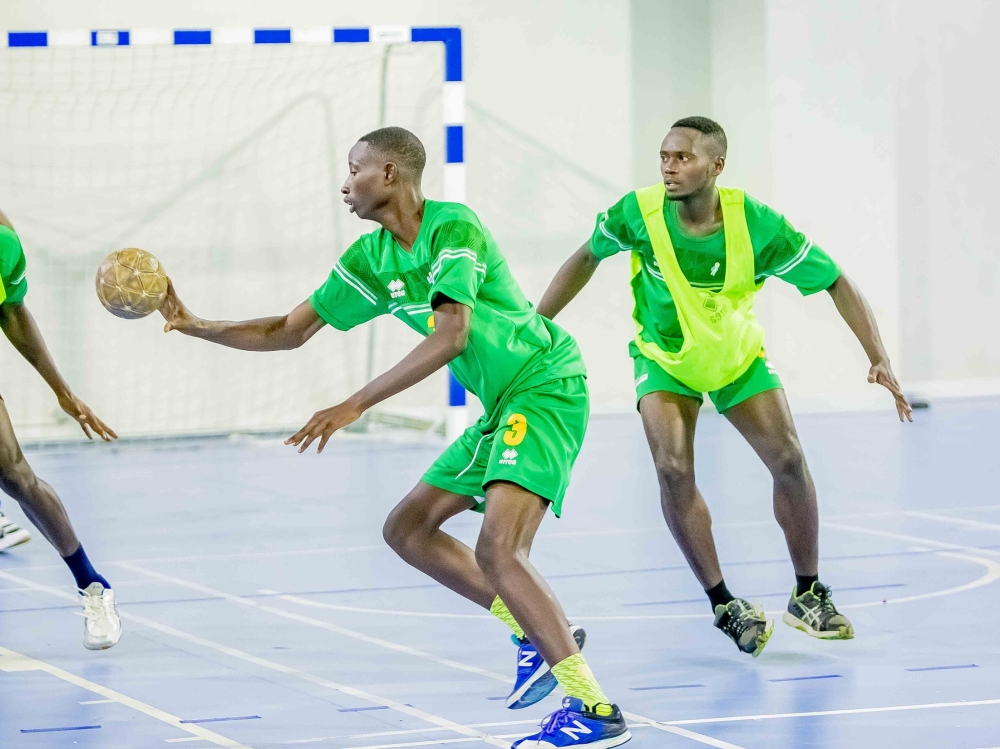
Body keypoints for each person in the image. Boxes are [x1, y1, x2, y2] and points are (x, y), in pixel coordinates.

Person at [157, 126, 631, 748]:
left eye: (354, 169)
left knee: (499, 549)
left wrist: (354, 403)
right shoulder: (370, 259)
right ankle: (531, 629)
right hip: (502, 405)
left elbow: (452, 335)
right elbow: (288, 331)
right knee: (407, 529)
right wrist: (197, 325)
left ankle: (595, 710)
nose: (343, 184)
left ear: (389, 173)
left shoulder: (453, 227)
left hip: (544, 386)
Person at [537, 116, 911, 658]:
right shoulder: (637, 213)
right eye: (664, 156)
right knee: (672, 469)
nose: (669, 167)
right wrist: (536, 327)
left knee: (789, 460)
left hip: (735, 357)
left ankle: (808, 593)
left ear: (716, 166)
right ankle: (724, 603)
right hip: (665, 359)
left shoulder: (757, 224)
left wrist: (879, 357)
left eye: (683, 158)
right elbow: (586, 257)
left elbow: (836, 280)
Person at [0, 208, 121, 650]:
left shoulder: (4, 246)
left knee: (15, 476)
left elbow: (13, 313)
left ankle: (92, 585)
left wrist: (62, 391)